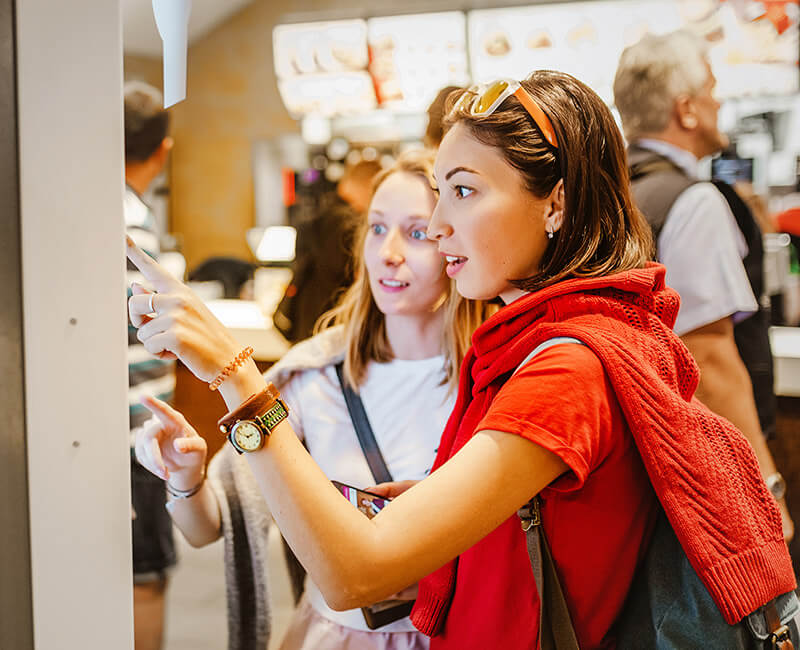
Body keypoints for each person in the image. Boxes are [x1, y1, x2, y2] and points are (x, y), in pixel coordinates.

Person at [127, 71, 795, 649]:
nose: (440, 222)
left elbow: (355, 572)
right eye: (437, 194)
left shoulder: (565, 370)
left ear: (555, 201)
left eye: (465, 191)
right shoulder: (563, 337)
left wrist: (235, 379)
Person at [131, 150, 489, 650]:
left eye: (416, 233)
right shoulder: (314, 374)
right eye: (378, 228)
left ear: (455, 245)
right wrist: (184, 477)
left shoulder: (495, 378)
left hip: (458, 635)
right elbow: (212, 525)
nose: (389, 253)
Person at [613, 31, 793, 541]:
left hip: (645, 457)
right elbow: (708, 351)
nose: (720, 101)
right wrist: (767, 484)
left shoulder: (611, 191)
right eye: (712, 89)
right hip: (711, 468)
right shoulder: (694, 200)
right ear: (686, 109)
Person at [123, 80, 177, 650]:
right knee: (145, 579)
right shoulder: (132, 224)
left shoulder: (93, 207)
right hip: (136, 430)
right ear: (163, 149)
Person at [278, 158, 383, 342]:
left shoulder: (320, 214)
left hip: (306, 323)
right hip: (330, 327)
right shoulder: (349, 224)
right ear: (369, 185)